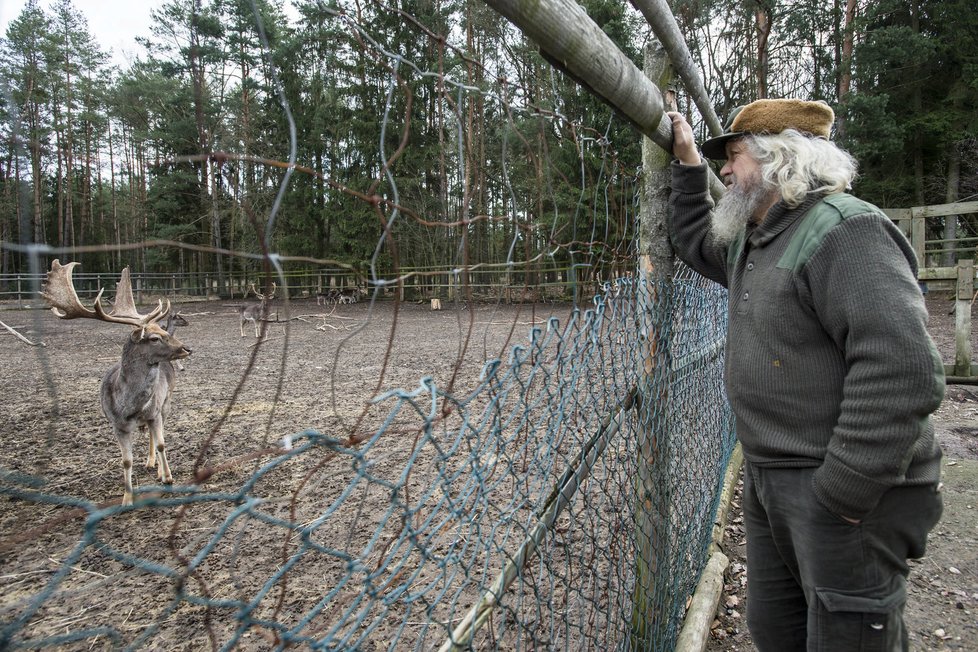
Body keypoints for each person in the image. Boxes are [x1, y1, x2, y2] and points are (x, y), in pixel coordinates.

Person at [666, 99, 945, 651]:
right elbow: (696, 241)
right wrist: (688, 164)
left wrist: (842, 492)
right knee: (780, 631)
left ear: (781, 159)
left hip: (844, 485)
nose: (725, 170)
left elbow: (905, 370)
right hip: (774, 480)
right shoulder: (761, 238)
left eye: (735, 155)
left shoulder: (845, 231)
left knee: (848, 638)